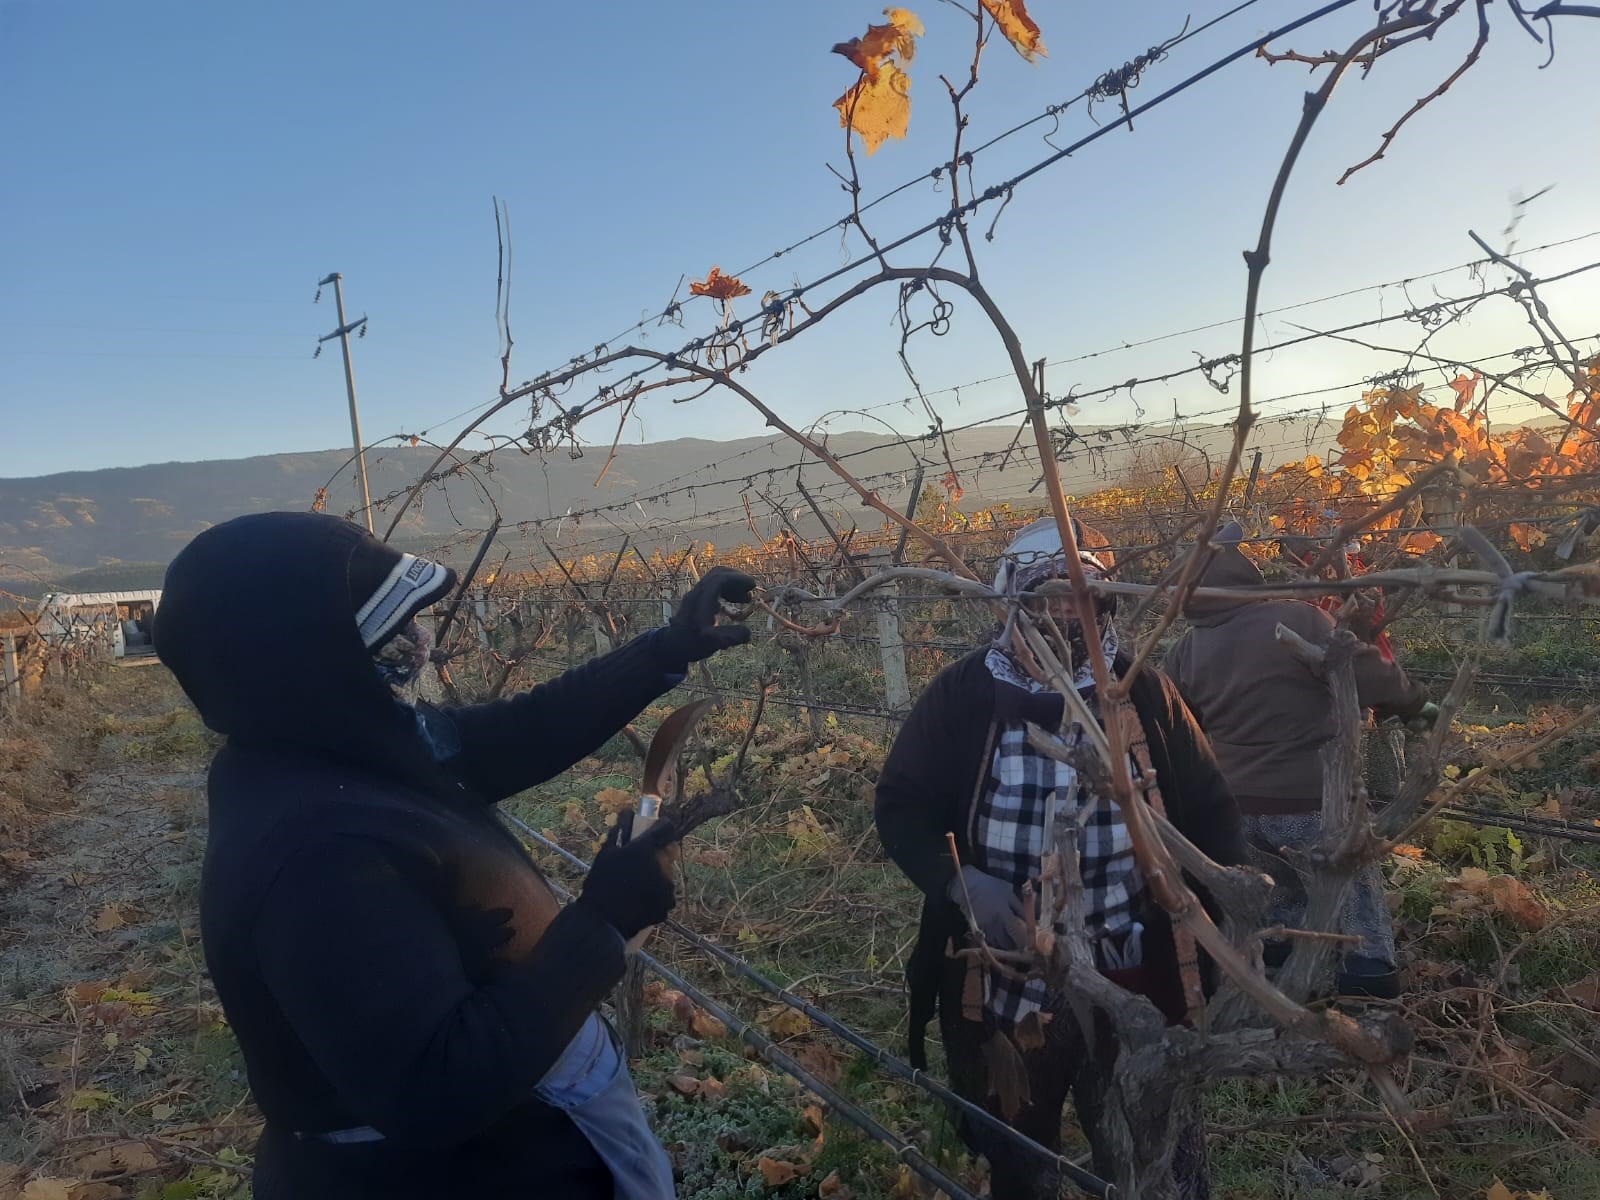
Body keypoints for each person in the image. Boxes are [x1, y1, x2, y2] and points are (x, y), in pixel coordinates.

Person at [153, 511, 755, 1199]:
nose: (417, 638)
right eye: (387, 627)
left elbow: (520, 732)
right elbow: (433, 1091)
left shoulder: (322, 750)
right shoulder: (319, 855)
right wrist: (603, 924)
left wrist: (666, 649)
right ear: (308, 660)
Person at [875, 517, 1248, 1200]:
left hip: (1131, 970)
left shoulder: (1142, 691)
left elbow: (1211, 813)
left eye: (1082, 600)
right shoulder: (962, 696)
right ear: (1010, 605)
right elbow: (901, 805)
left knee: (1151, 1147)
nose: (1065, 618)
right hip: (1004, 975)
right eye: (1046, 600)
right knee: (1018, 1146)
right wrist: (962, 884)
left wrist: (1214, 932)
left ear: (1105, 605)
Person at [1163, 526, 1430, 1000]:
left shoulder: (1185, 649)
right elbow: (1364, 671)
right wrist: (1413, 703)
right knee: (1351, 888)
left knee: (1278, 894)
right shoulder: (1296, 618)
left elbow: (1182, 723)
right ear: (1248, 577)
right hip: (1313, 796)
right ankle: (1369, 978)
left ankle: (1284, 974)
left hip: (1238, 806)